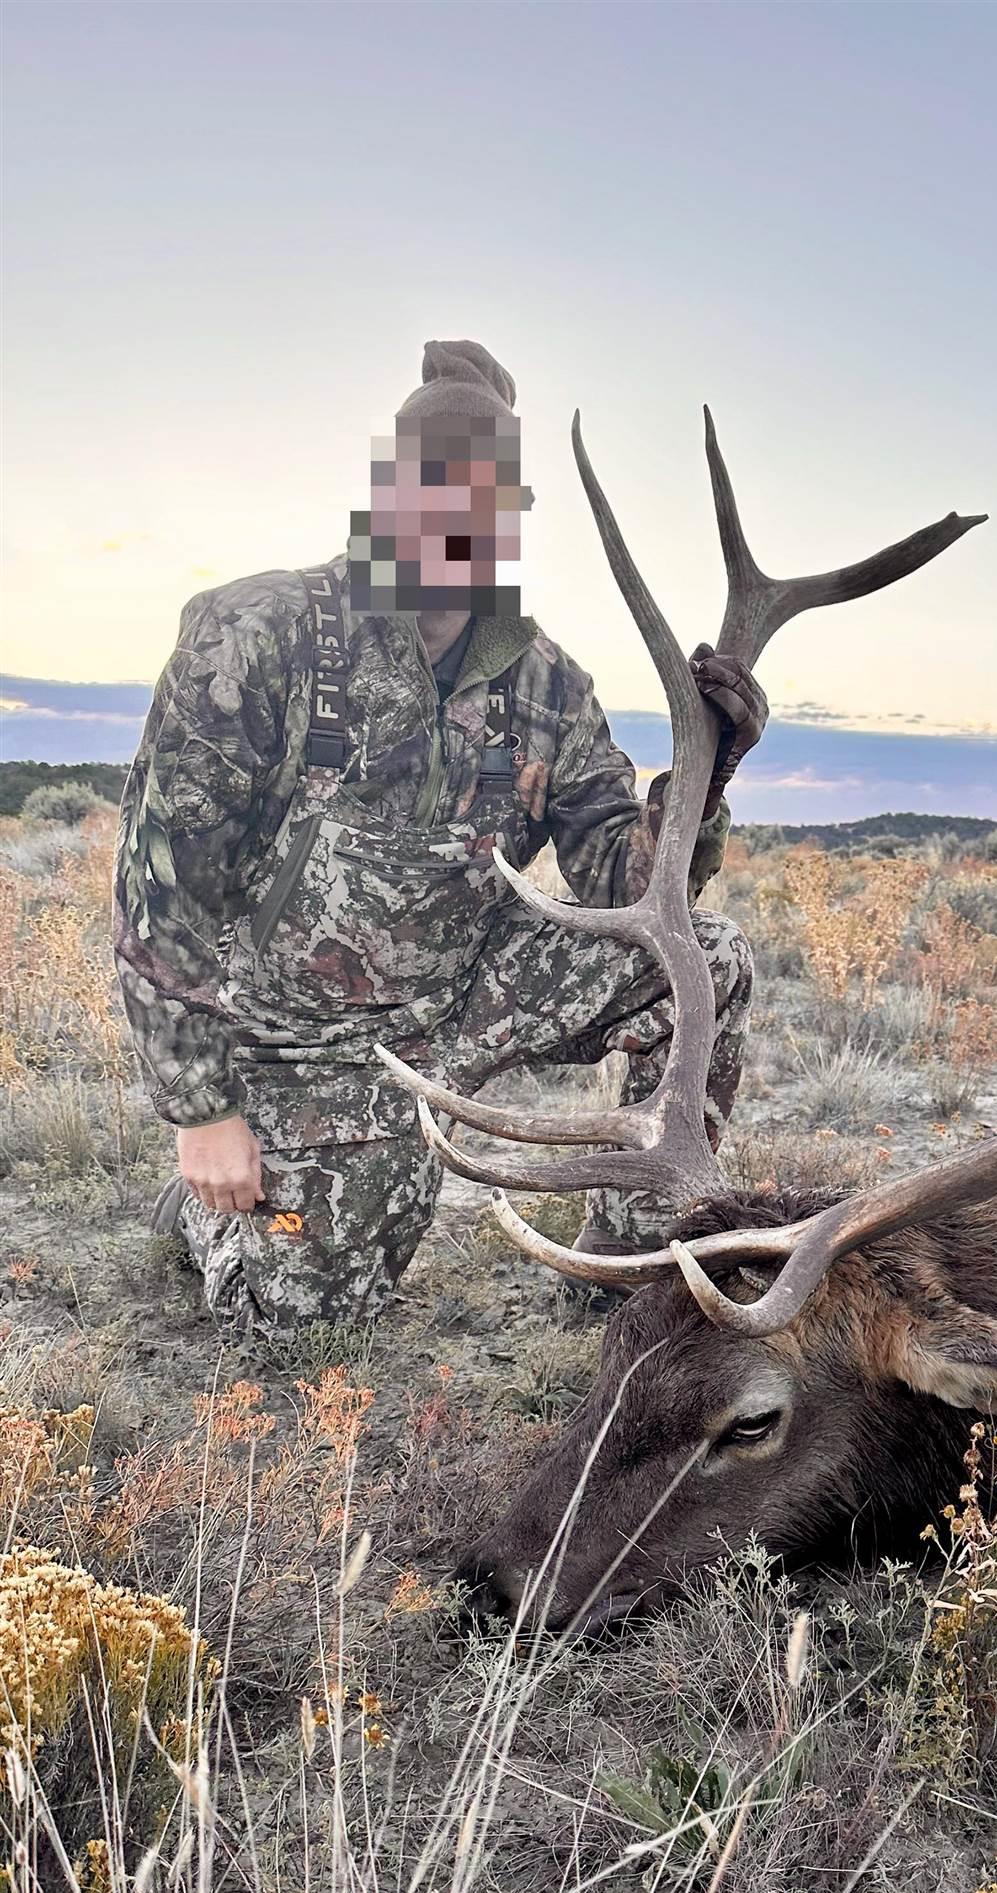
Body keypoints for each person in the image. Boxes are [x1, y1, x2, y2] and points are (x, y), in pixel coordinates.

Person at [113, 339, 765, 1339]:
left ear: (511, 514)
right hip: (300, 1043)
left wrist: (704, 775)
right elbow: (165, 887)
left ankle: (629, 1268)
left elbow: (616, 881)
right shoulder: (257, 635)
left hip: (466, 1002)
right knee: (305, 1321)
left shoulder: (548, 684)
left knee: (704, 964)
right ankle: (203, 1220)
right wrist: (201, 1110)